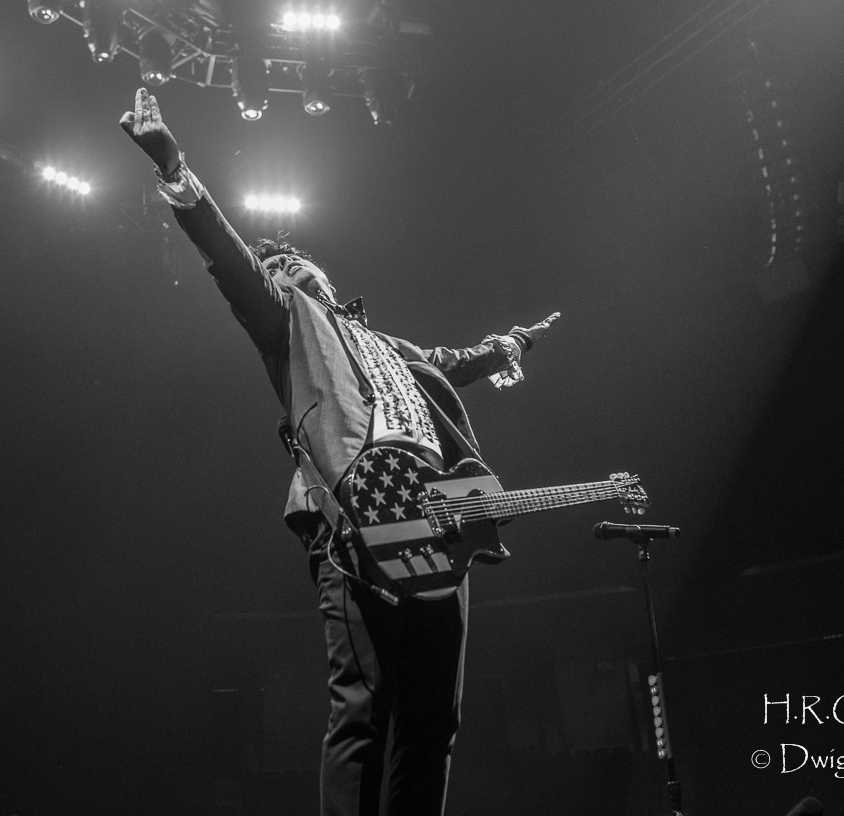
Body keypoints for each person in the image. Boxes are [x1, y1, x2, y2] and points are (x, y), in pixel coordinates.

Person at [119, 88, 560, 816]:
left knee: (433, 720)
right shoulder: (287, 323)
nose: (291, 266)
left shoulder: (391, 345)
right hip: (354, 523)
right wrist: (174, 167)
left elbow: (452, 363)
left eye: (297, 259)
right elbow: (231, 262)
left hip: (436, 519)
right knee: (364, 709)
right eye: (278, 265)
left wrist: (508, 344)